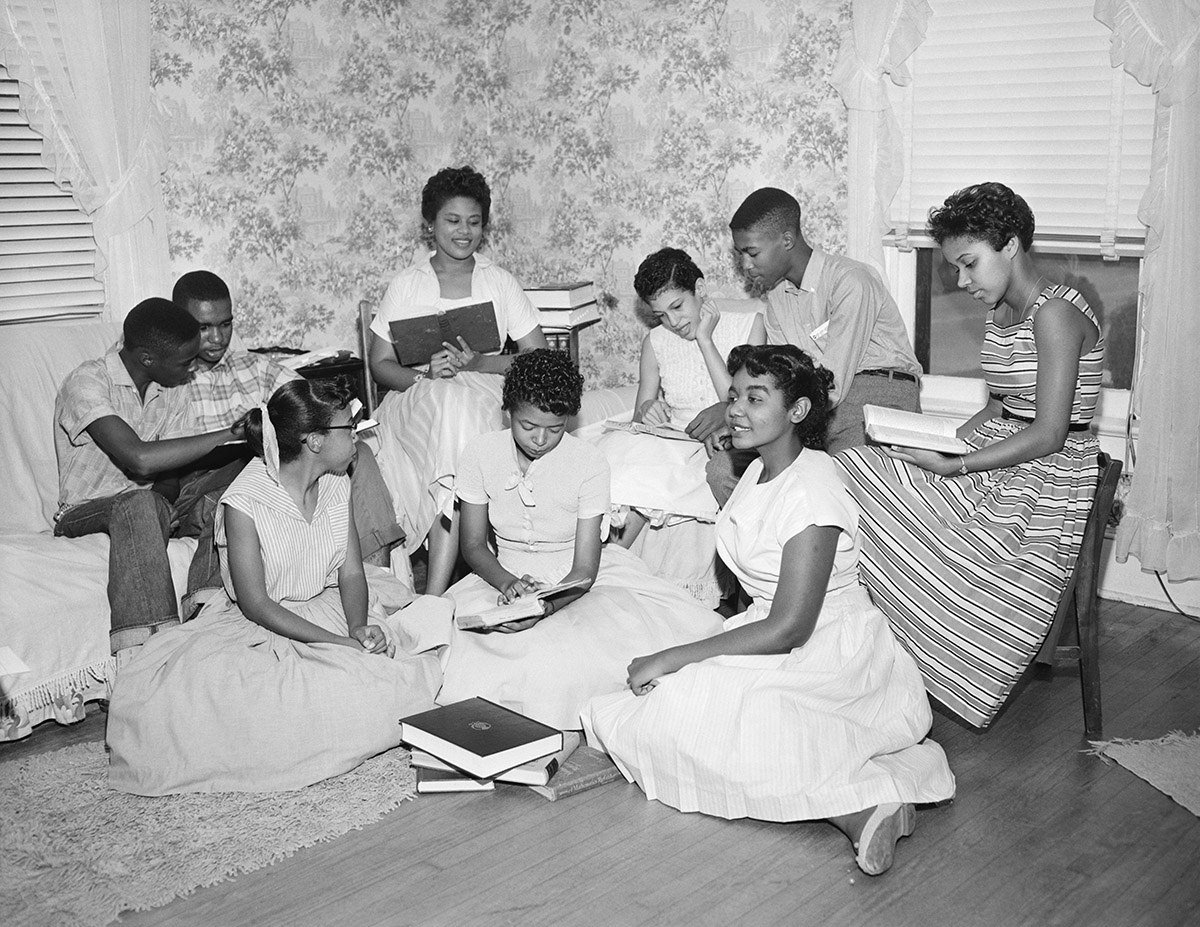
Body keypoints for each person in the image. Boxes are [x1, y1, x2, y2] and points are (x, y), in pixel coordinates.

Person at [583, 345, 955, 877]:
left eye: (755, 398)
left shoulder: (814, 486)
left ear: (797, 411)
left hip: (828, 646)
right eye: (734, 395)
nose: (735, 409)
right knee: (654, 711)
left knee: (703, 711)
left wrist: (675, 657)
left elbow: (789, 626)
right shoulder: (757, 470)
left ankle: (861, 809)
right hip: (768, 630)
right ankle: (863, 790)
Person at [835, 182, 1105, 729]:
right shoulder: (1003, 310)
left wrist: (956, 465)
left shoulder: (1053, 314)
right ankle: (872, 653)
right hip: (1003, 443)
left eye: (968, 264)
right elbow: (1001, 405)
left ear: (1010, 245)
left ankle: (920, 660)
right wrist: (944, 440)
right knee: (853, 466)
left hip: (1048, 469)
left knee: (893, 503)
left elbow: (1050, 431)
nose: (961, 281)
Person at [106, 377, 446, 795]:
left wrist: (356, 627)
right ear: (314, 441)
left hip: (330, 604)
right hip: (267, 623)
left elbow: (351, 572)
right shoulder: (243, 502)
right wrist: (335, 643)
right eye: (349, 427)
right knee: (278, 711)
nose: (359, 435)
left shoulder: (338, 480)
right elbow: (257, 604)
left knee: (419, 665)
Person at [427, 349, 724, 730]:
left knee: (559, 668)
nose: (539, 439)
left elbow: (585, 569)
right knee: (449, 656)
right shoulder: (480, 454)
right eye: (527, 426)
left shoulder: (587, 462)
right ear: (507, 412)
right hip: (499, 575)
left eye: (554, 429)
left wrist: (542, 609)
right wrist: (509, 584)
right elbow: (471, 546)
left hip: (576, 582)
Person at [171, 270, 405, 615]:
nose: (217, 337)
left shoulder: (256, 367)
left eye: (226, 323)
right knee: (241, 480)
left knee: (359, 453)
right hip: (206, 484)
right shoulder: (171, 380)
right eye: (203, 327)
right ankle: (205, 606)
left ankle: (373, 578)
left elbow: (314, 406)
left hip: (271, 469)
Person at [367, 166, 548, 596]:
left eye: (473, 221)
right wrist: (424, 375)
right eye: (452, 220)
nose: (464, 232)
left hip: (482, 391)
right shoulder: (406, 284)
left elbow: (537, 357)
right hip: (417, 399)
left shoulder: (500, 282)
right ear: (430, 225)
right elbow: (380, 365)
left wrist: (481, 362)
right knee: (449, 405)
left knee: (460, 411)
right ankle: (460, 572)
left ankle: (436, 589)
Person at [697, 187, 922, 502]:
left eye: (752, 252)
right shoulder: (776, 299)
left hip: (876, 395)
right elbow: (778, 381)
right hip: (813, 406)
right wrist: (741, 417)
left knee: (843, 484)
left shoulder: (851, 281)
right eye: (740, 255)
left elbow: (834, 384)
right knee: (723, 470)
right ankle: (773, 550)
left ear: (786, 241)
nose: (746, 266)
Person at [53, 298, 241, 659]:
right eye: (186, 362)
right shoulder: (88, 381)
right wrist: (228, 434)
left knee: (233, 494)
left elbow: (170, 466)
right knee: (138, 503)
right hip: (84, 510)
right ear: (147, 358)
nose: (191, 370)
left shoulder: (170, 388)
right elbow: (139, 459)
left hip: (150, 500)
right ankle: (149, 654)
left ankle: (209, 621)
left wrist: (166, 498)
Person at [591, 247, 764, 606]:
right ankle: (607, 563)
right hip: (673, 437)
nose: (672, 322)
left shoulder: (748, 325)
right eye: (660, 314)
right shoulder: (656, 342)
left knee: (661, 470)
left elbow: (742, 405)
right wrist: (651, 409)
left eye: (678, 306)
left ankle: (609, 565)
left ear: (699, 289)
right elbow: (642, 410)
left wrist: (705, 339)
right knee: (622, 454)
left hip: (723, 439)